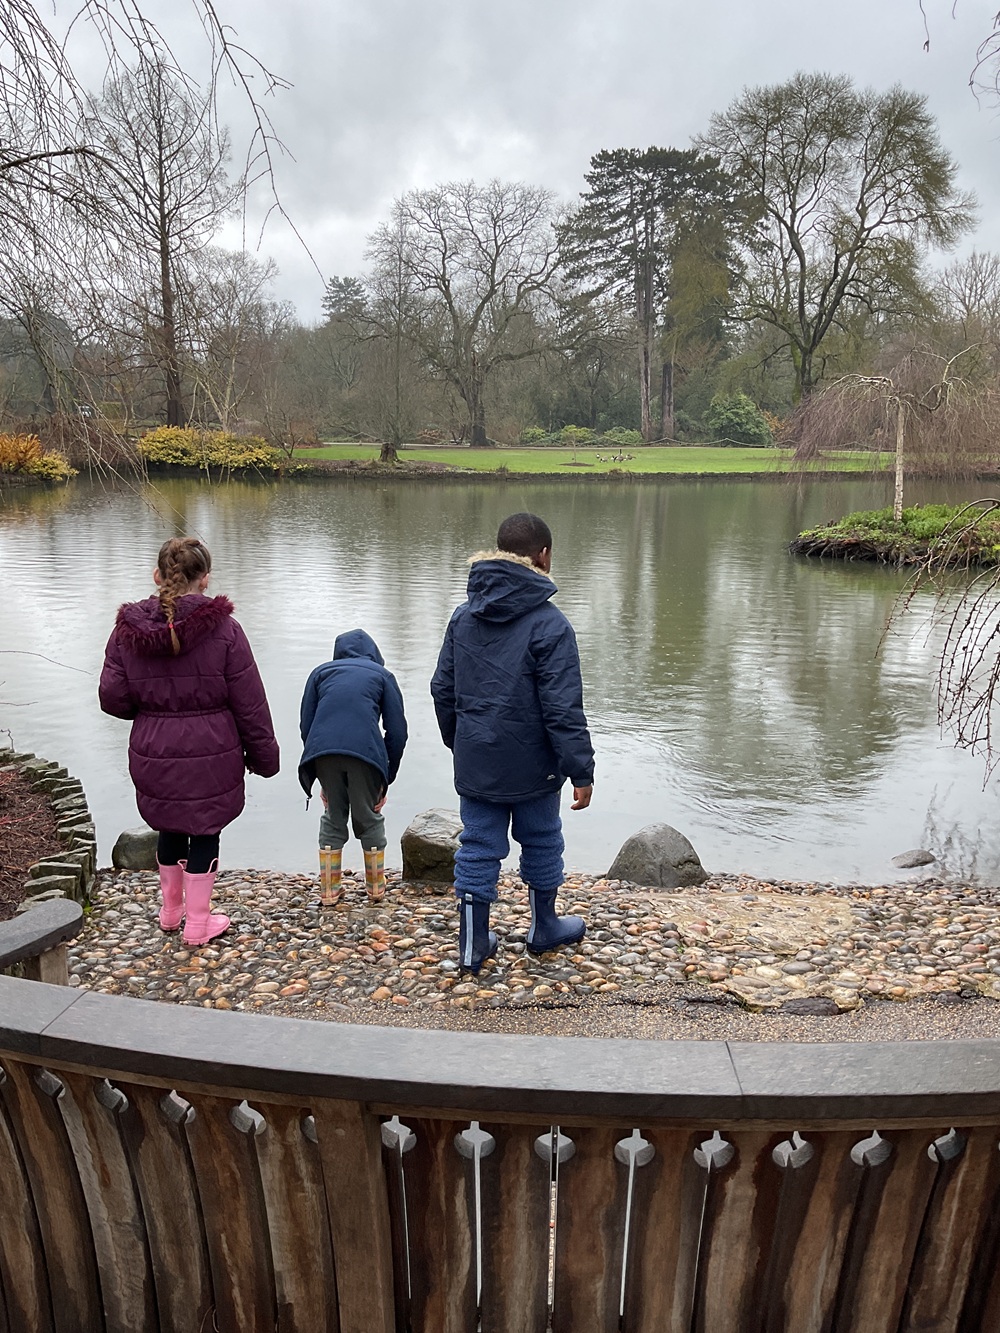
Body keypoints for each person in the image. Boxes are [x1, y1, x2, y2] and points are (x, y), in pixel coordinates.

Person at [431, 512, 595, 974]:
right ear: (543, 555)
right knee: (542, 839)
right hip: (536, 765)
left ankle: (472, 944)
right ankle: (544, 928)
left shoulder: (463, 617)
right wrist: (580, 769)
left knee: (478, 845)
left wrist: (461, 741)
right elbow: (562, 708)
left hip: (478, 757)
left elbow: (442, 689)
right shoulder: (551, 624)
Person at [99, 537, 279, 946]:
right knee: (205, 829)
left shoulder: (128, 632)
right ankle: (198, 922)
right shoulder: (226, 630)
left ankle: (170, 912)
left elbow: (112, 697)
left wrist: (151, 714)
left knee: (169, 825)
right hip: (212, 750)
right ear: (205, 579)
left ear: (157, 576)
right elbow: (249, 701)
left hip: (154, 750)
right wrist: (264, 757)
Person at [298, 629, 407, 905]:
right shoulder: (383, 676)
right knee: (368, 816)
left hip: (323, 752)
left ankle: (329, 891)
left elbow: (307, 726)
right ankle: (375, 889)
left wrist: (320, 771)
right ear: (375, 654)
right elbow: (397, 732)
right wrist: (386, 778)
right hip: (366, 753)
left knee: (333, 815)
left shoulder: (320, 673)